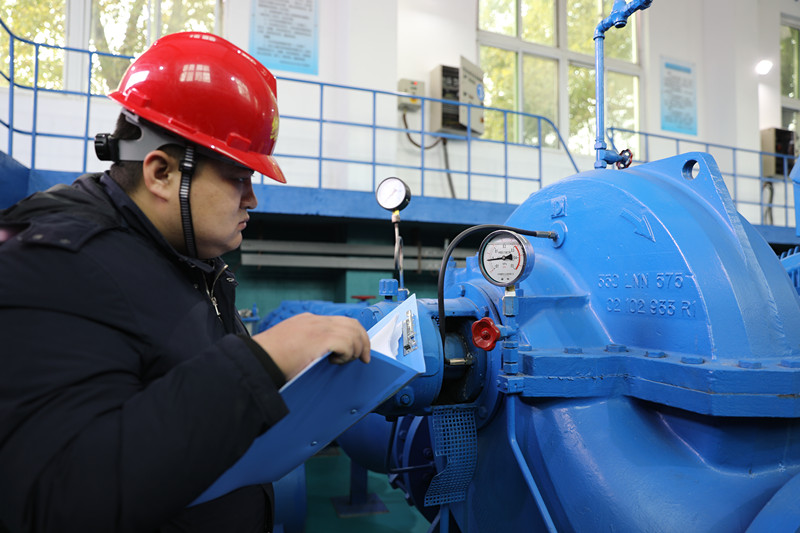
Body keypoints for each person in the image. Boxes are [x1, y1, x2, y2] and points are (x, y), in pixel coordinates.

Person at [0, 32, 370, 533]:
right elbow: (54, 498)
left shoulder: (186, 256)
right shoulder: (58, 264)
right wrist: (262, 361)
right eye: (238, 177)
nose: (252, 198)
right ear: (162, 172)